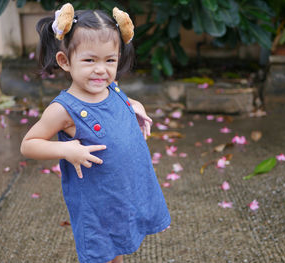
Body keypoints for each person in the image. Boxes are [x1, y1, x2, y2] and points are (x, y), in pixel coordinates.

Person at [20, 3, 171, 263]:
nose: (101, 69)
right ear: (65, 61)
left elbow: (119, 100)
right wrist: (66, 149)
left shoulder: (111, 87)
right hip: (96, 204)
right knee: (100, 252)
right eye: (90, 60)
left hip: (121, 194)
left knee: (118, 247)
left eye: (110, 60)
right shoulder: (63, 110)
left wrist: (134, 106)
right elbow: (29, 144)